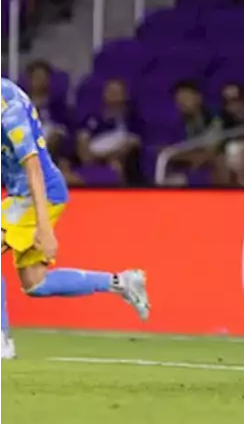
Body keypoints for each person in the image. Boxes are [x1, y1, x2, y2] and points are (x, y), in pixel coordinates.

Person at [0, 75, 149, 360]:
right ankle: (122, 282)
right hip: (19, 194)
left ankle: (1, 342)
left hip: (38, 193)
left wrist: (44, 228)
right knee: (36, 282)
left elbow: (32, 168)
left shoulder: (8, 108)